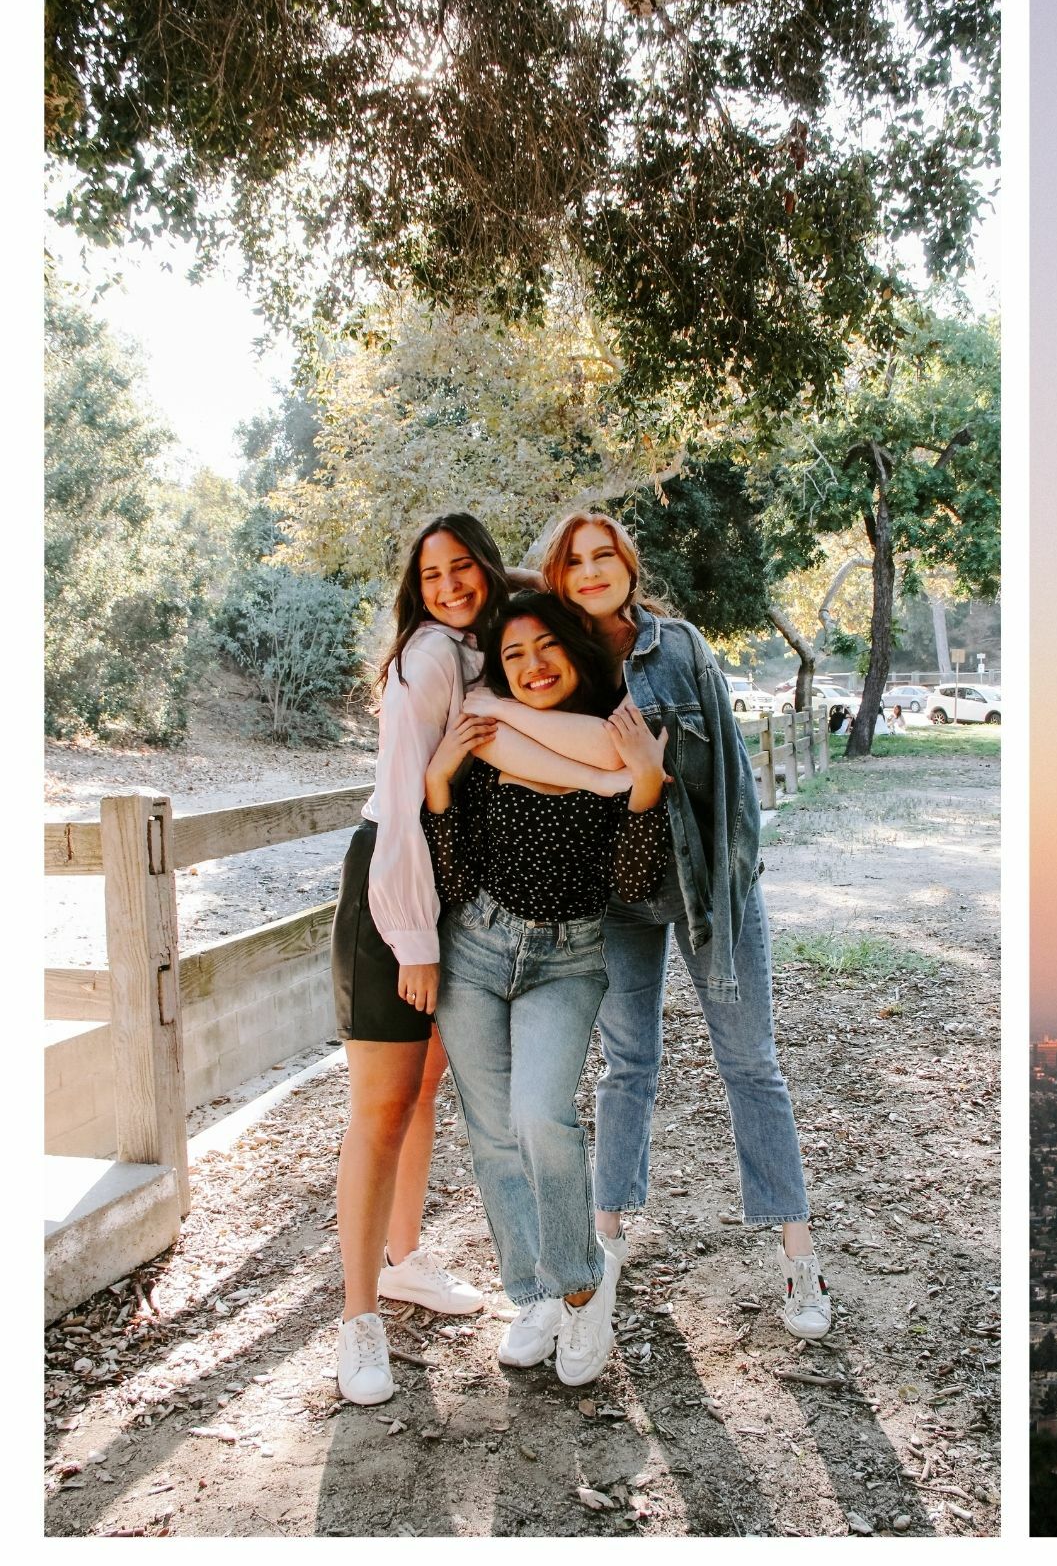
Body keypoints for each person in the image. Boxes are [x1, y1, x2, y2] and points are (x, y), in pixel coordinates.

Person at [465, 512, 832, 1340]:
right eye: (574, 562)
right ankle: (605, 1236)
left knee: (751, 1061)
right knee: (626, 1063)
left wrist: (736, 881)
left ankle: (798, 1252)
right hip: (618, 893)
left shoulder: (680, 648)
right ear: (557, 577)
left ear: (630, 567)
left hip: (708, 887)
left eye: (606, 557)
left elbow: (730, 778)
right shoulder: (558, 657)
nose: (592, 572)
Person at [330, 515, 632, 1407]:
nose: (452, 584)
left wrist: (615, 778)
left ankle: (407, 1259)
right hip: (399, 889)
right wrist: (415, 939)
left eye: (463, 566)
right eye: (431, 574)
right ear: (414, 591)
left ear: (488, 571)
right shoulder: (429, 660)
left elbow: (572, 754)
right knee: (384, 1103)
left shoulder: (488, 652)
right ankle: (358, 1321)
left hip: (460, 895)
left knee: (434, 1094)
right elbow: (399, 805)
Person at [423, 591, 669, 1386]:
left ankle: (582, 1284)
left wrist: (644, 789)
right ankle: (532, 1292)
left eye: (545, 649)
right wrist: (437, 786)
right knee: (492, 1132)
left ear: (573, 651)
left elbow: (631, 879)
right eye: (514, 655)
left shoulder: (617, 737)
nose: (531, 667)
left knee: (540, 1115)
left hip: (570, 957)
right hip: (477, 949)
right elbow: (452, 869)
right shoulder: (489, 738)